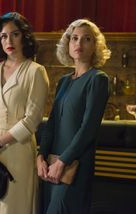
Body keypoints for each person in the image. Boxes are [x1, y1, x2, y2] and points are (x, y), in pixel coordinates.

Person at [0, 12, 49, 214]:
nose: (9, 40)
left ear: (24, 36)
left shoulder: (35, 71)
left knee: (14, 207)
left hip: (18, 149)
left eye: (14, 34)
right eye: (4, 36)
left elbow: (31, 121)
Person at [37, 19, 111, 214]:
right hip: (51, 166)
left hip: (74, 167)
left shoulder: (98, 79)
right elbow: (51, 123)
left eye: (86, 39)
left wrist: (63, 162)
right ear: (68, 44)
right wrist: (40, 156)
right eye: (75, 38)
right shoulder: (63, 81)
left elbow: (88, 129)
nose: (79, 44)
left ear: (95, 46)